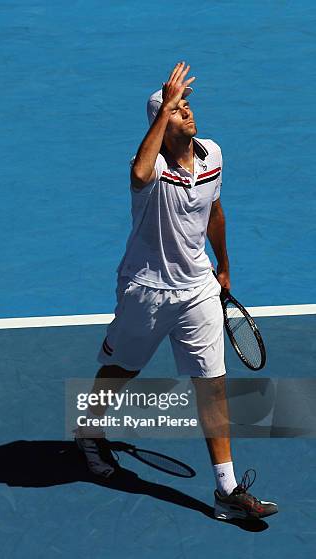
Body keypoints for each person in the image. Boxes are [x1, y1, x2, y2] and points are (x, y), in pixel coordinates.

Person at [76, 62, 278, 521]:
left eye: (186, 105)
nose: (186, 111)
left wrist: (224, 266)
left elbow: (215, 213)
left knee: (212, 383)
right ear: (159, 124)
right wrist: (162, 108)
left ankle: (226, 489)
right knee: (121, 368)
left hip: (198, 288)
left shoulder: (213, 155)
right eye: (175, 109)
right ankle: (88, 431)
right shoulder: (150, 169)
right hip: (146, 290)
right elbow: (140, 172)